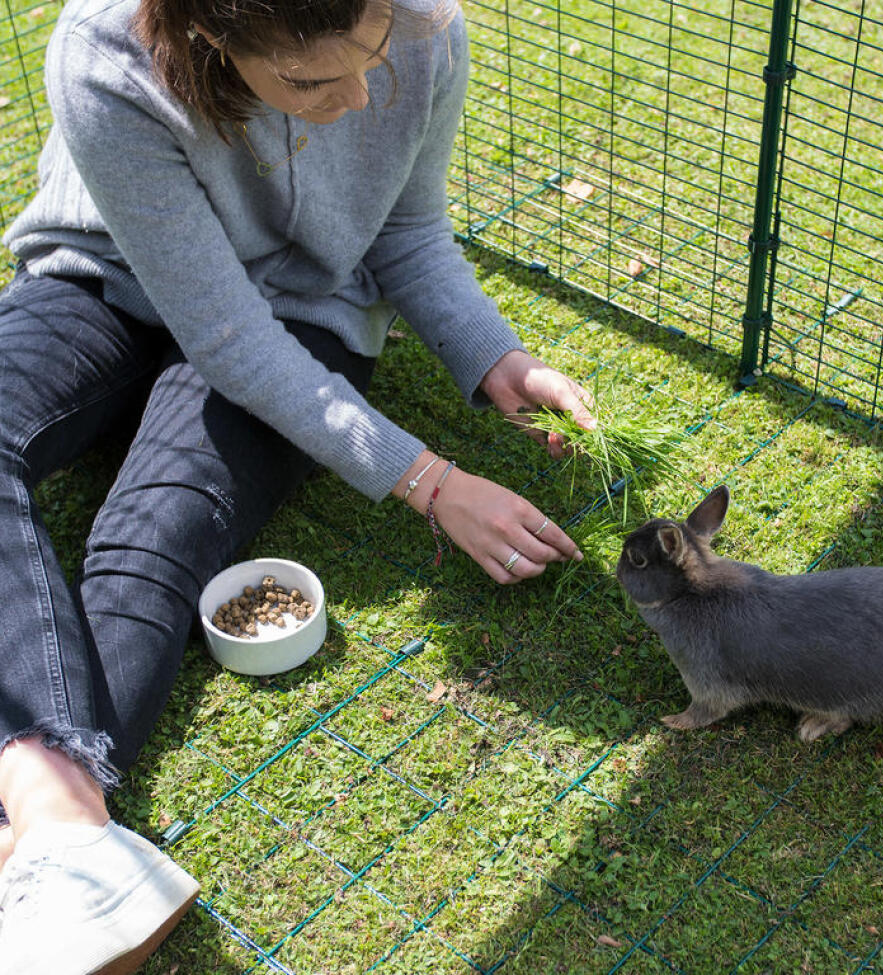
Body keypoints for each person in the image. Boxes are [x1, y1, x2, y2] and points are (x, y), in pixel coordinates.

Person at [0, 0, 594, 971]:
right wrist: (435, 482)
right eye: (312, 82)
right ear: (206, 39)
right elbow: (223, 338)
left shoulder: (425, 28)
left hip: (301, 308)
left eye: (369, 60)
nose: (359, 98)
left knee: (157, 533)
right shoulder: (102, 51)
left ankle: (44, 846)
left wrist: (495, 357)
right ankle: (61, 826)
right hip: (102, 276)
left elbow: (409, 229)